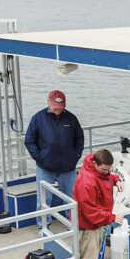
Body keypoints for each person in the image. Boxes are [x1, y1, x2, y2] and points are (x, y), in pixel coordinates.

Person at [24, 90, 85, 228]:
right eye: (55, 105)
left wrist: (76, 156)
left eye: (61, 106)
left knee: (72, 199)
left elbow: (80, 138)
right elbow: (29, 140)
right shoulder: (38, 118)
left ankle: (74, 225)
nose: (58, 108)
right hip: (45, 168)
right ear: (48, 102)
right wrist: (40, 158)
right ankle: (43, 227)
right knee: (44, 200)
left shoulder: (72, 119)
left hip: (68, 169)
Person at [73, 149, 124, 259]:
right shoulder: (87, 181)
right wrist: (112, 217)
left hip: (95, 220)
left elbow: (106, 176)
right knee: (87, 257)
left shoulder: (98, 170)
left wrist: (116, 179)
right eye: (104, 169)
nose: (106, 172)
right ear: (95, 164)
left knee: (87, 254)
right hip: (87, 223)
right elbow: (90, 210)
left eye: (109, 170)